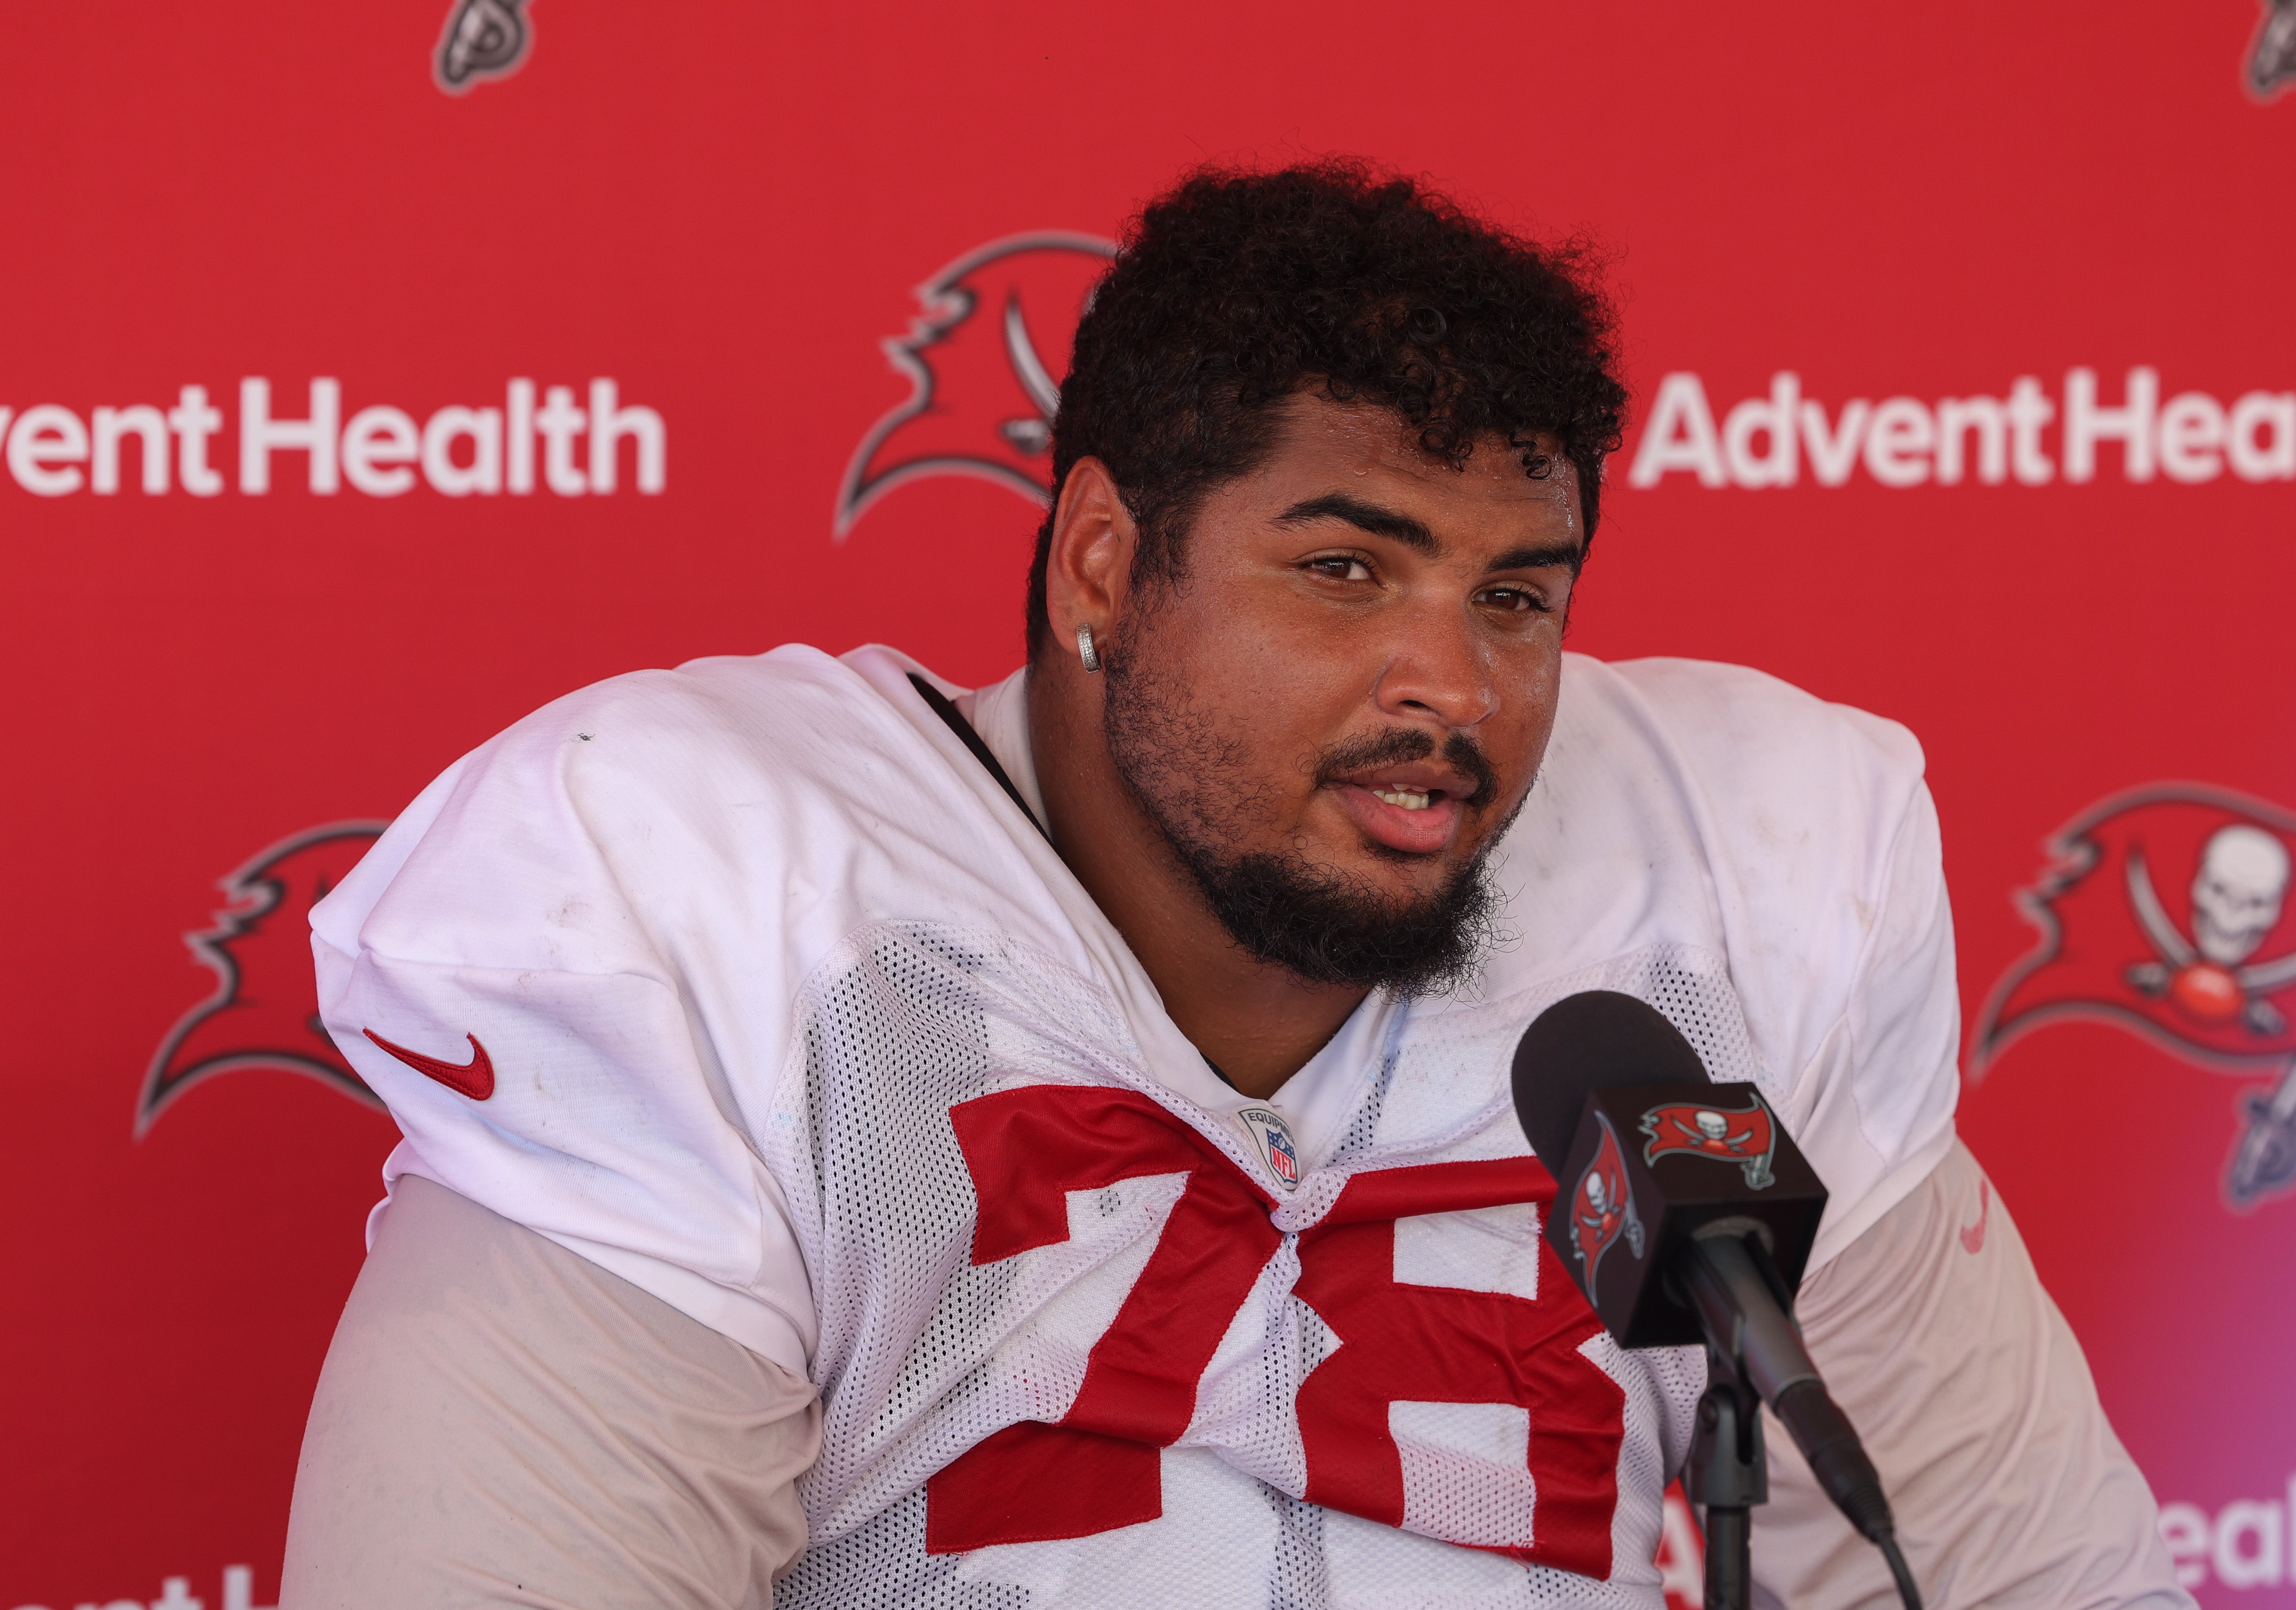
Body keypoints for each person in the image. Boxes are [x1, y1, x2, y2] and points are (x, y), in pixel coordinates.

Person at [282, 161, 2192, 1610]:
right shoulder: (721, 894)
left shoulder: (1732, 873)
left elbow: (2006, 1568)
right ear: (1104, 565)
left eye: (1516, 594)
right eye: (1344, 571)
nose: (1454, 686)